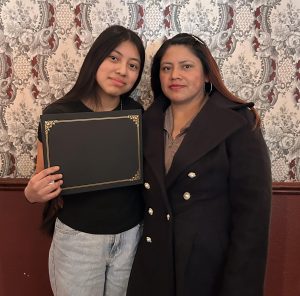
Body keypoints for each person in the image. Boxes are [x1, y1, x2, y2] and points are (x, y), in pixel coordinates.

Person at [126, 33, 272, 296]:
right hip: (153, 265)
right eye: (166, 68)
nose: (174, 75)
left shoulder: (238, 123)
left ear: (207, 74)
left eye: (186, 66)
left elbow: (252, 218)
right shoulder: (144, 123)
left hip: (208, 269)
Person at [24, 25, 145, 296]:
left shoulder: (136, 113)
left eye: (133, 65)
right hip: (78, 240)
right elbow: (40, 182)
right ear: (96, 58)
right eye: (114, 58)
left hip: (130, 239)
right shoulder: (58, 114)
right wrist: (32, 192)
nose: (123, 70)